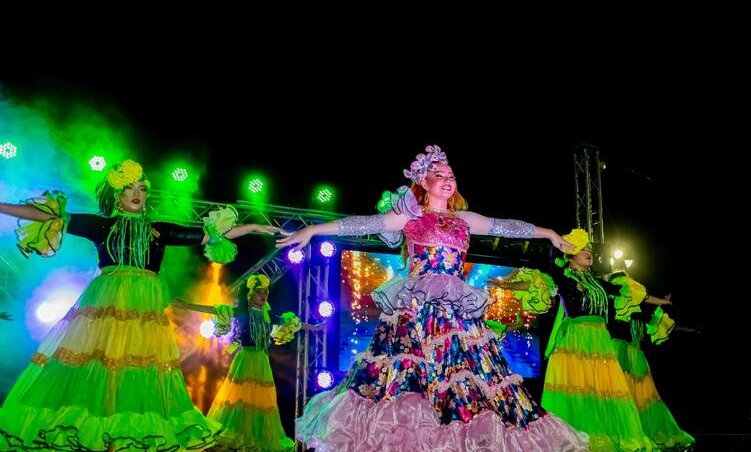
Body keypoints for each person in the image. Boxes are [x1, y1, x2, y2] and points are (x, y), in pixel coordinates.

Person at [279, 145, 588, 451]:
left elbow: (505, 226)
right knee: (411, 377)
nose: (447, 179)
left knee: (466, 377)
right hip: (416, 312)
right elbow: (365, 223)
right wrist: (315, 230)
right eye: (438, 174)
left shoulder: (463, 218)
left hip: (457, 312)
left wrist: (548, 232)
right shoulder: (409, 216)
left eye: (451, 174)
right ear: (423, 183)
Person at [0, 159, 281, 451]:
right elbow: (45, 215)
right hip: (106, 304)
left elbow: (212, 234)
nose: (137, 193)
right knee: (99, 368)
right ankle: (97, 432)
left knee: (136, 372)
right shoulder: (102, 225)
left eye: (142, 188)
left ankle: (121, 434)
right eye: (129, 188)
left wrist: (253, 227)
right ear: (118, 195)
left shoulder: (159, 230)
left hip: (144, 315)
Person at [512, 229, 655, 452]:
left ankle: (602, 433)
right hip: (577, 339)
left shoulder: (598, 283)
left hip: (599, 340)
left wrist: (660, 302)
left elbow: (635, 295)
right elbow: (544, 275)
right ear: (571, 255)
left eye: (590, 249)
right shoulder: (564, 277)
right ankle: (573, 437)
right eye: (583, 249)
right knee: (579, 387)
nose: (589, 252)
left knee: (601, 388)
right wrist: (560, 247)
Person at [174, 274, 322, 451]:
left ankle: (254, 438)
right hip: (246, 358)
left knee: (260, 401)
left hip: (261, 360)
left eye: (266, 293)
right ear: (251, 294)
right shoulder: (244, 312)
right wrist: (188, 306)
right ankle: (238, 436)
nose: (264, 296)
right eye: (260, 292)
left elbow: (292, 323)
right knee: (240, 398)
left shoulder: (268, 316)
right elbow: (215, 310)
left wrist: (314, 327)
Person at [606, 270, 695, 451]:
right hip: (620, 352)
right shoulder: (611, 301)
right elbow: (642, 298)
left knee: (636, 396)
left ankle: (634, 432)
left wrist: (663, 302)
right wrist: (662, 301)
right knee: (624, 394)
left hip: (632, 355)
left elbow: (651, 307)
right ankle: (624, 432)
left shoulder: (636, 312)